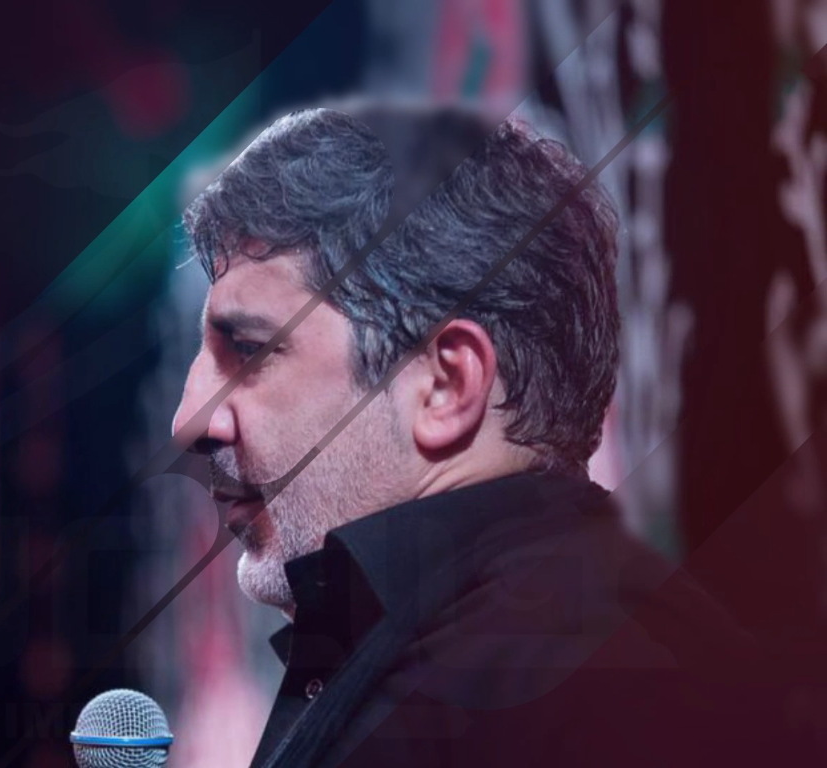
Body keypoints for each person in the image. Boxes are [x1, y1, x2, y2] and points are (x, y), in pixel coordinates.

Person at [170, 105, 797, 767]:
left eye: (249, 349)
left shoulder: (593, 682)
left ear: (446, 385)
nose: (190, 420)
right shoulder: (508, 653)